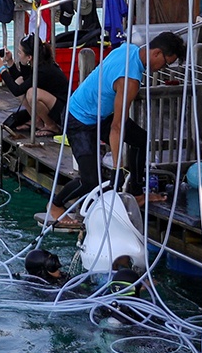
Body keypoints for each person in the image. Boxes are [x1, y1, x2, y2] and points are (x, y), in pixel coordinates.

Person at [53, 31, 185, 218]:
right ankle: (56, 205)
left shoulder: (129, 48)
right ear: (156, 53)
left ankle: (138, 193)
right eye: (165, 63)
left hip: (101, 114)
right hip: (78, 118)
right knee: (90, 182)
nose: (163, 68)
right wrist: (117, 168)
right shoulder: (129, 80)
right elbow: (117, 128)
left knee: (140, 139)